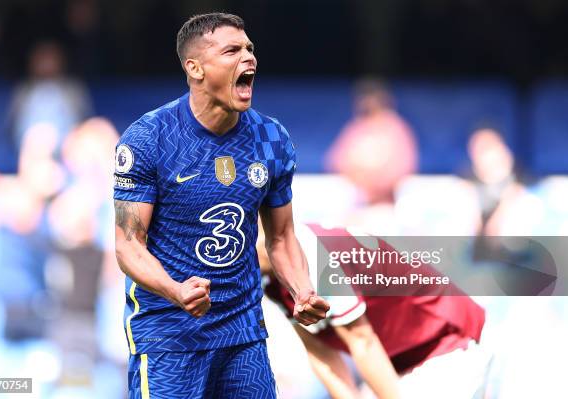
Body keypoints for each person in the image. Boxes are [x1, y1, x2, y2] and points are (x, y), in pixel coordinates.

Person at [112, 13, 329, 399]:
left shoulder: (271, 139)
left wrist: (302, 291)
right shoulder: (149, 138)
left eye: (250, 49)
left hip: (243, 334)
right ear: (195, 68)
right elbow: (129, 245)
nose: (249, 58)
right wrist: (177, 291)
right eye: (232, 50)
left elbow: (280, 237)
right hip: (168, 336)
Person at [260, 223, 489, 399]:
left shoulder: (314, 255)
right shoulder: (271, 277)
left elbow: (363, 342)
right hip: (402, 362)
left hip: (449, 342)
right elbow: (319, 350)